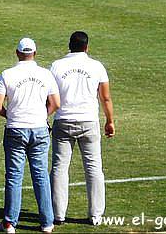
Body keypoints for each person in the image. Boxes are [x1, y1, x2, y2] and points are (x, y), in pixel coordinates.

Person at [0, 38, 60, 234]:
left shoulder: (7, 74)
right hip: (39, 128)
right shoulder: (45, 74)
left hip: (15, 128)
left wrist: (10, 114)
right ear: (35, 54)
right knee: (40, 175)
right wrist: (41, 115)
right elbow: (55, 103)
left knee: (14, 176)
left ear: (17, 53)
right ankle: (47, 222)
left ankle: (10, 222)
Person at [50, 31, 115, 227]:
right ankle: (95, 214)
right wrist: (110, 121)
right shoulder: (96, 66)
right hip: (89, 122)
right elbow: (105, 98)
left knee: (60, 169)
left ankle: (58, 214)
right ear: (87, 47)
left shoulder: (56, 66)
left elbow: (50, 95)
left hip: (63, 120)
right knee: (94, 169)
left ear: (69, 45)